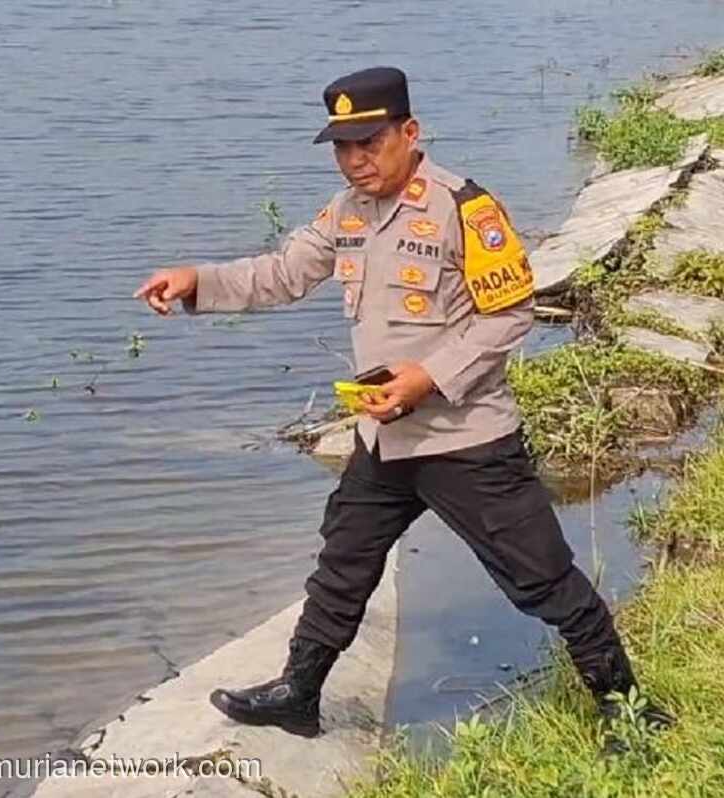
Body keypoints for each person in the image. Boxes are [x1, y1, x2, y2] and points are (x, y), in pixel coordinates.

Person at [132, 66, 673, 747]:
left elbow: (509, 315)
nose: (357, 160)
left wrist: (428, 377)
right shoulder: (345, 212)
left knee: (542, 578)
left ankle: (628, 709)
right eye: (343, 147)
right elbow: (280, 273)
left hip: (466, 438)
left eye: (371, 142)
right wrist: (195, 282)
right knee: (343, 563)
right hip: (384, 439)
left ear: (409, 132)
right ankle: (299, 693)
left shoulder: (464, 208)